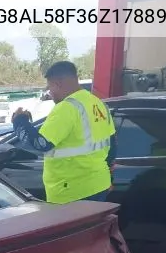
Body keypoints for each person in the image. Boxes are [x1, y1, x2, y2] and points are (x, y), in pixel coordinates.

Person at [11, 61, 117, 204]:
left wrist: (20, 122)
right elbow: (112, 146)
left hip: (72, 191)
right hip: (99, 185)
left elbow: (40, 144)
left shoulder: (67, 107)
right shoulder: (98, 103)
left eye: (50, 88)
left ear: (58, 83)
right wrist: (108, 178)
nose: (51, 94)